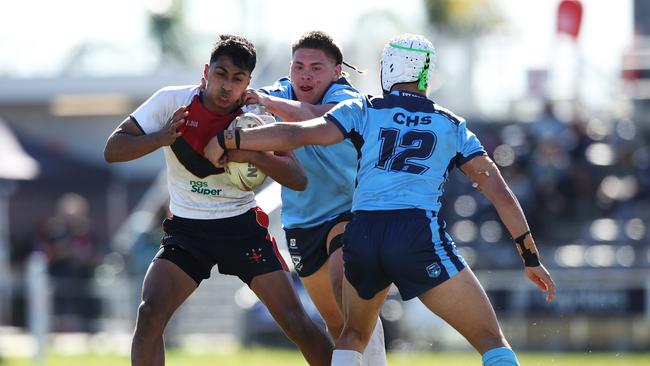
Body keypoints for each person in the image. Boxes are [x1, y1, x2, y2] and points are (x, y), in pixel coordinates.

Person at [205, 33, 557, 366]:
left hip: (364, 234)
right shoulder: (451, 124)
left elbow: (297, 133)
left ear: (386, 68)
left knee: (352, 334)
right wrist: (529, 256)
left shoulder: (363, 108)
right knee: (491, 339)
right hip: (416, 234)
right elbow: (500, 192)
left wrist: (232, 142)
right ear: (428, 75)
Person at [104, 34, 333, 366]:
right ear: (206, 72)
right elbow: (113, 149)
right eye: (221, 74)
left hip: (242, 229)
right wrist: (160, 137)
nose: (227, 86)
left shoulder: (255, 116)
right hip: (187, 230)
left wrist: (250, 153)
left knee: (296, 322)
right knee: (150, 312)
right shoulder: (172, 101)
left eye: (237, 79)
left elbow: (297, 178)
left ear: (248, 84)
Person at [240, 30, 386, 364]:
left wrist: (264, 103)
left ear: (336, 71)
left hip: (349, 213)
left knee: (349, 298)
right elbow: (250, 102)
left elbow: (310, 117)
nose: (305, 74)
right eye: (299, 66)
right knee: (335, 322)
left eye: (316, 67)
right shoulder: (277, 92)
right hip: (302, 222)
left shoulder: (348, 99)